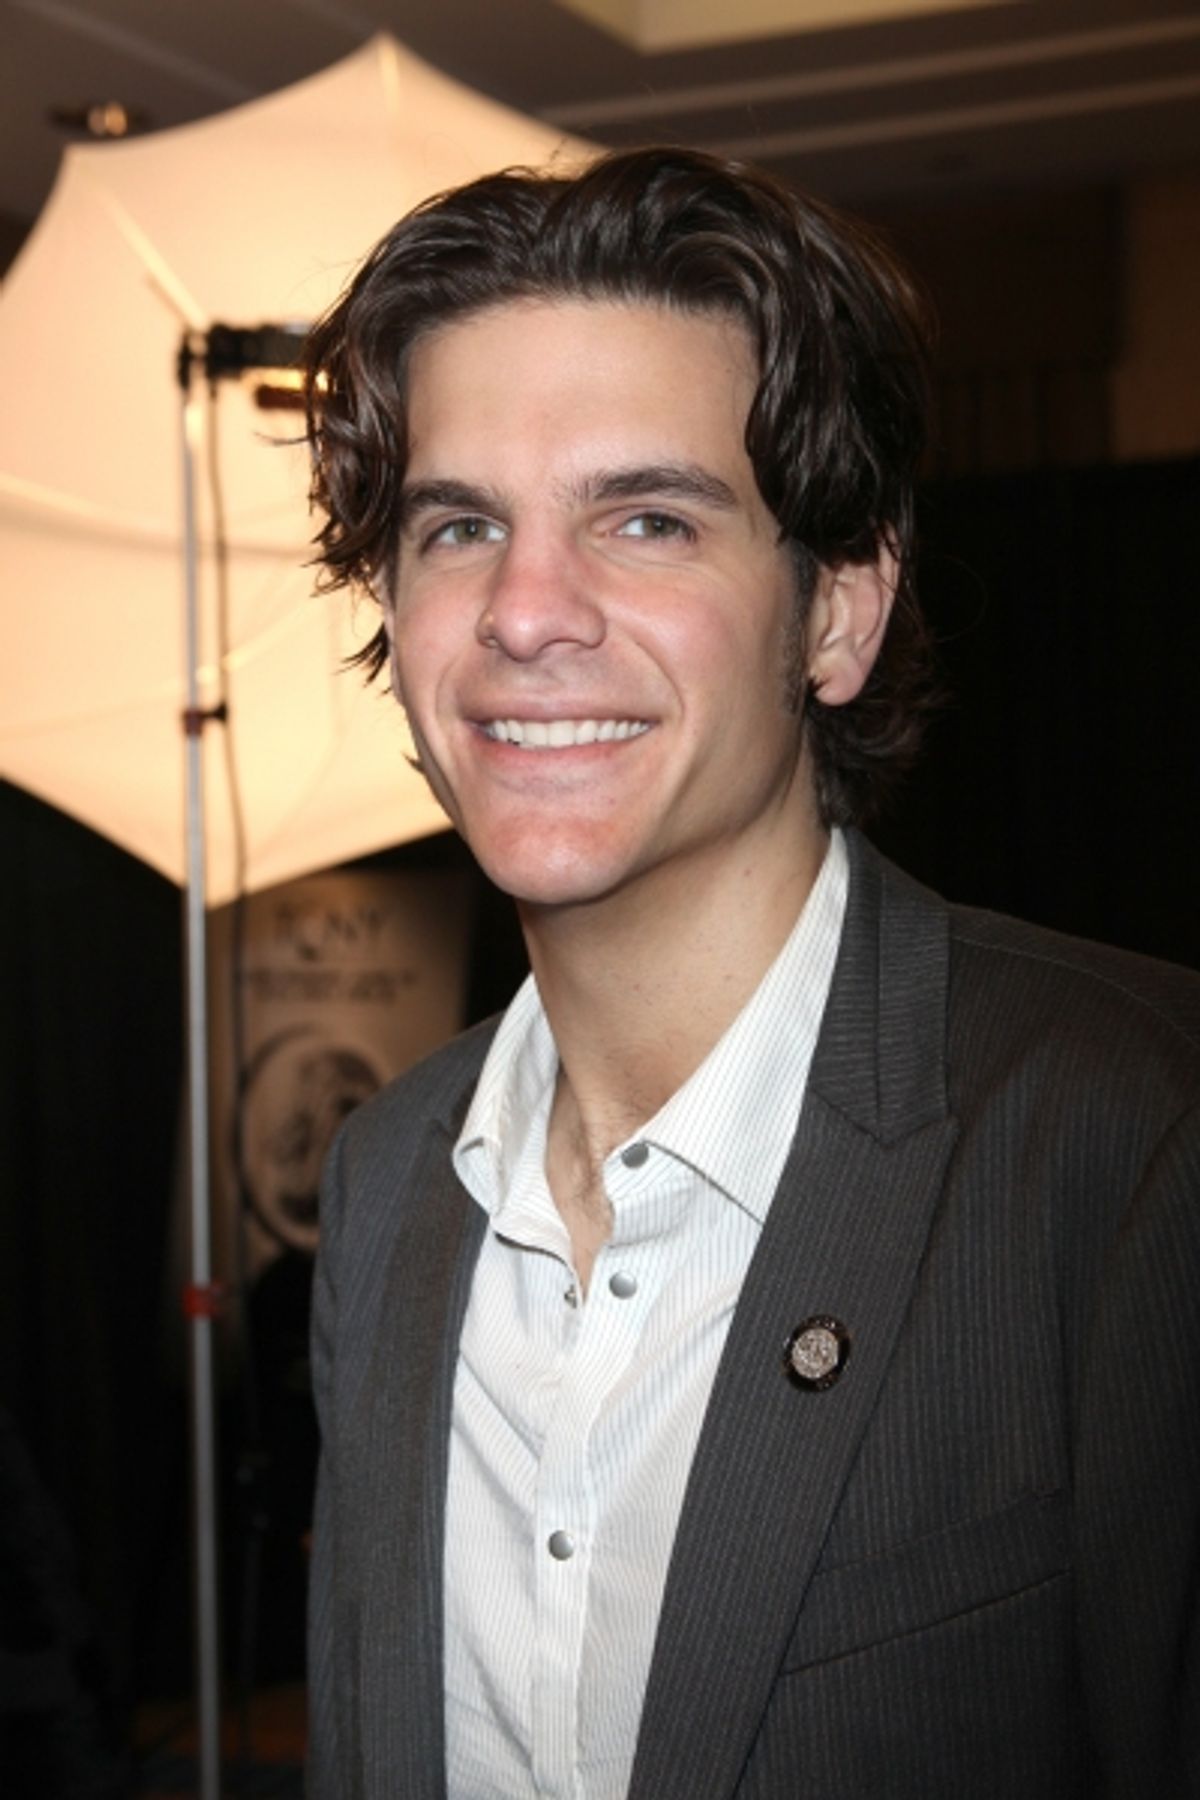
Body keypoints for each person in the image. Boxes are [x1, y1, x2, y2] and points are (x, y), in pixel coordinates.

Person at [301, 147, 1200, 1799]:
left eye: (644, 517)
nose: (524, 611)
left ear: (836, 614)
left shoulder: (1132, 1138)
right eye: (459, 526)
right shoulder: (382, 1184)